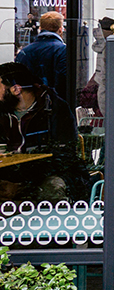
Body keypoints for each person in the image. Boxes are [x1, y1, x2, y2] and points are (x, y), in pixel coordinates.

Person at [0, 62, 85, 203]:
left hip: (46, 175)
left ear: (15, 90)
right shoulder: (3, 112)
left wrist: (23, 186)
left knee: (52, 188)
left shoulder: (55, 109)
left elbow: (64, 158)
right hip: (9, 174)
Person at [15, 11, 69, 96]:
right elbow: (63, 82)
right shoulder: (63, 50)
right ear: (60, 29)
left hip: (29, 102)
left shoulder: (25, 51)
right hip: (55, 102)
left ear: (40, 28)